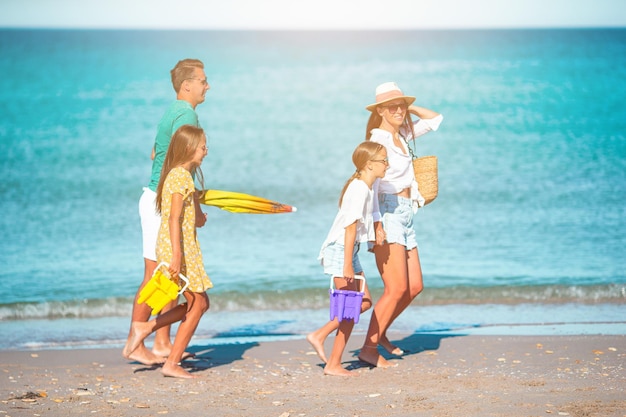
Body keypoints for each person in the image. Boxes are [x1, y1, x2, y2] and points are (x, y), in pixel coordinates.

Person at [123, 59, 210, 365]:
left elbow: (155, 153)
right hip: (163, 200)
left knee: (170, 275)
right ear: (187, 85)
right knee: (156, 273)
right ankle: (136, 341)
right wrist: (195, 207)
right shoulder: (187, 114)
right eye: (202, 80)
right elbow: (178, 164)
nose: (207, 86)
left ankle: (162, 341)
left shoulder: (171, 112)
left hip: (155, 195)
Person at [358, 82, 443, 368]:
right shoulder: (378, 140)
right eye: (391, 106)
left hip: (407, 213)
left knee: (414, 286)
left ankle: (379, 335)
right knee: (395, 288)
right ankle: (369, 348)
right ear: (380, 110)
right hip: (388, 214)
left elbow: (435, 120)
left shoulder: (402, 134)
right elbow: (372, 186)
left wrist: (408, 108)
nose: (397, 110)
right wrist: (377, 225)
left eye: (400, 105)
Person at [309, 141, 388, 376]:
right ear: (369, 164)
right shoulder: (358, 189)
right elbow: (350, 227)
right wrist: (346, 265)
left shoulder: (368, 186)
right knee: (349, 309)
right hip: (341, 250)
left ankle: (320, 336)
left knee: (363, 303)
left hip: (349, 250)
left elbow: (368, 217)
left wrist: (376, 234)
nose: (387, 164)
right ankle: (332, 362)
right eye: (383, 160)